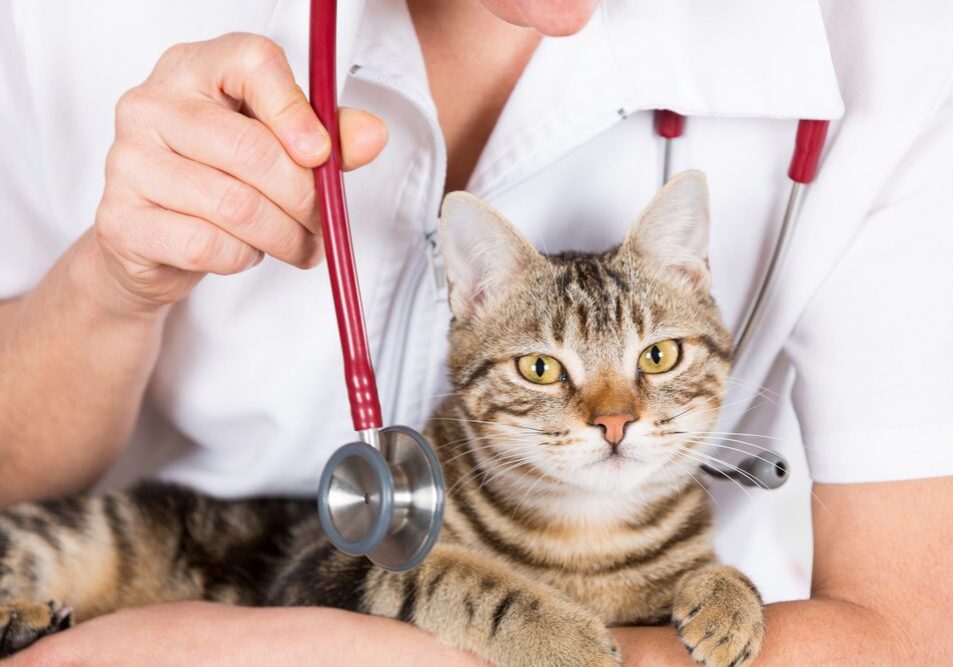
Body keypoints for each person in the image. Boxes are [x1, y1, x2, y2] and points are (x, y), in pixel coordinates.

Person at [1, 0, 951, 663]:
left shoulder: (894, 51)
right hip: (167, 558)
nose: (613, 414)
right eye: (551, 368)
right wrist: (112, 281)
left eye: (654, 358)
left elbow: (910, 635)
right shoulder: (69, 20)